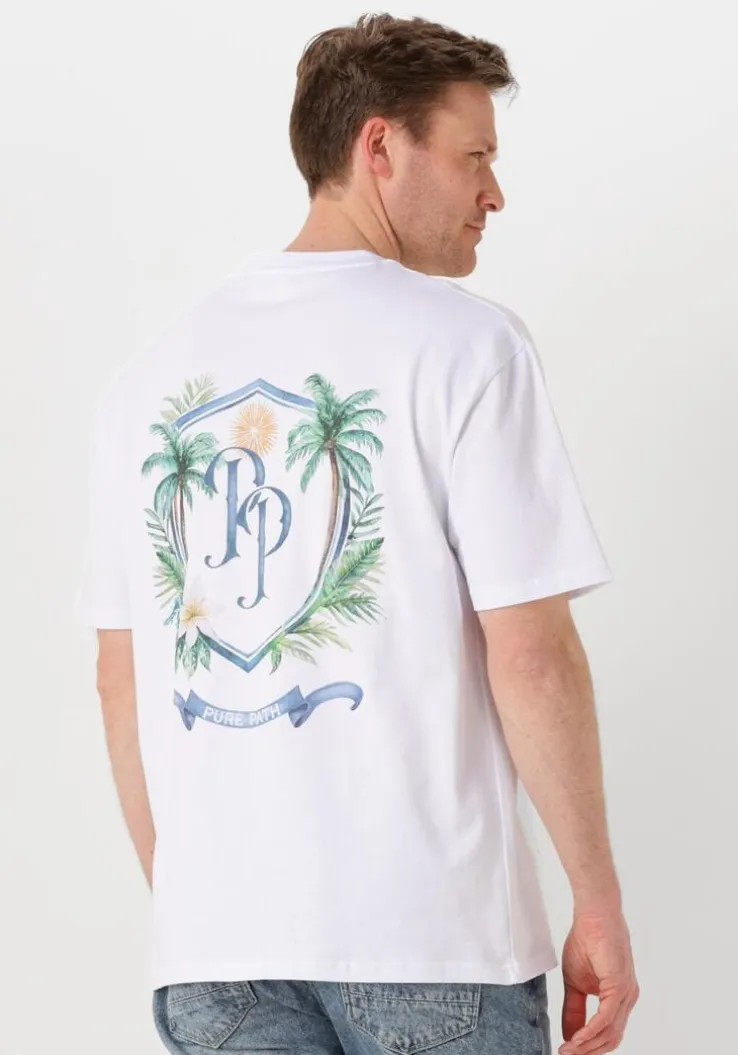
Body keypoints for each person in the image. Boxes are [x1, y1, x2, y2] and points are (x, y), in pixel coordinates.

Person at [77, 12, 639, 1055]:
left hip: (215, 957)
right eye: (474, 156)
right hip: (432, 943)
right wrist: (596, 898)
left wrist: (199, 908)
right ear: (380, 147)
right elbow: (531, 654)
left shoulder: (146, 381)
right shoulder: (468, 347)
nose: (494, 194)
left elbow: (122, 677)